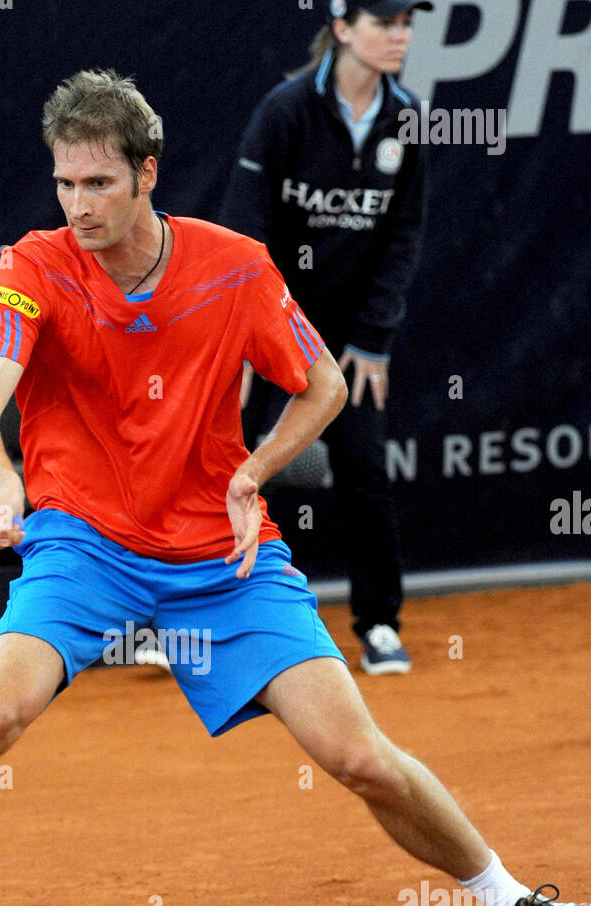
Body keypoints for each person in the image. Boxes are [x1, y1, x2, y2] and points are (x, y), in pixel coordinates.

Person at [0, 69, 591, 906]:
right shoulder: (32, 267)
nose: (77, 206)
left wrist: (251, 472)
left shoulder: (233, 265)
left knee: (358, 757)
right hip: (82, 546)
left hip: (223, 561)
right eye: (63, 184)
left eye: (98, 183)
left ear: (148, 173)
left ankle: (515, 905)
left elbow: (325, 387)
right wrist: (2, 482)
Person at [220, 0, 433, 675]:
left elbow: (403, 234)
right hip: (271, 324)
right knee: (243, 470)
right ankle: (217, 621)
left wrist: (372, 338)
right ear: (342, 29)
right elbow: (244, 232)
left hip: (346, 341)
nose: (398, 36)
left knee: (365, 471)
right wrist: (254, 333)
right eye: (384, 23)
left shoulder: (406, 118)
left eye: (406, 24)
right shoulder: (283, 112)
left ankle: (378, 626)